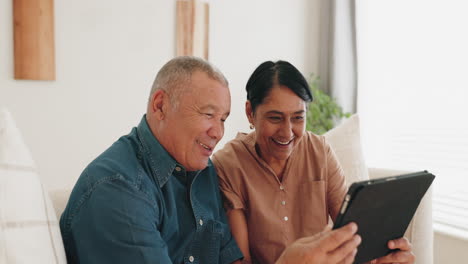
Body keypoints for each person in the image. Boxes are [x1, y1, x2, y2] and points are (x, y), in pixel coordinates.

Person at [59, 56, 361, 264]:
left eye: (223, 118)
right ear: (161, 105)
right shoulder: (118, 191)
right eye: (207, 114)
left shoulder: (201, 174)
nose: (218, 132)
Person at [212, 60, 416, 264]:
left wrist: (381, 254)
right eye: (275, 118)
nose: (287, 132)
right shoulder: (229, 164)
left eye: (298, 118)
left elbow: (352, 233)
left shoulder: (320, 152)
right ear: (250, 112)